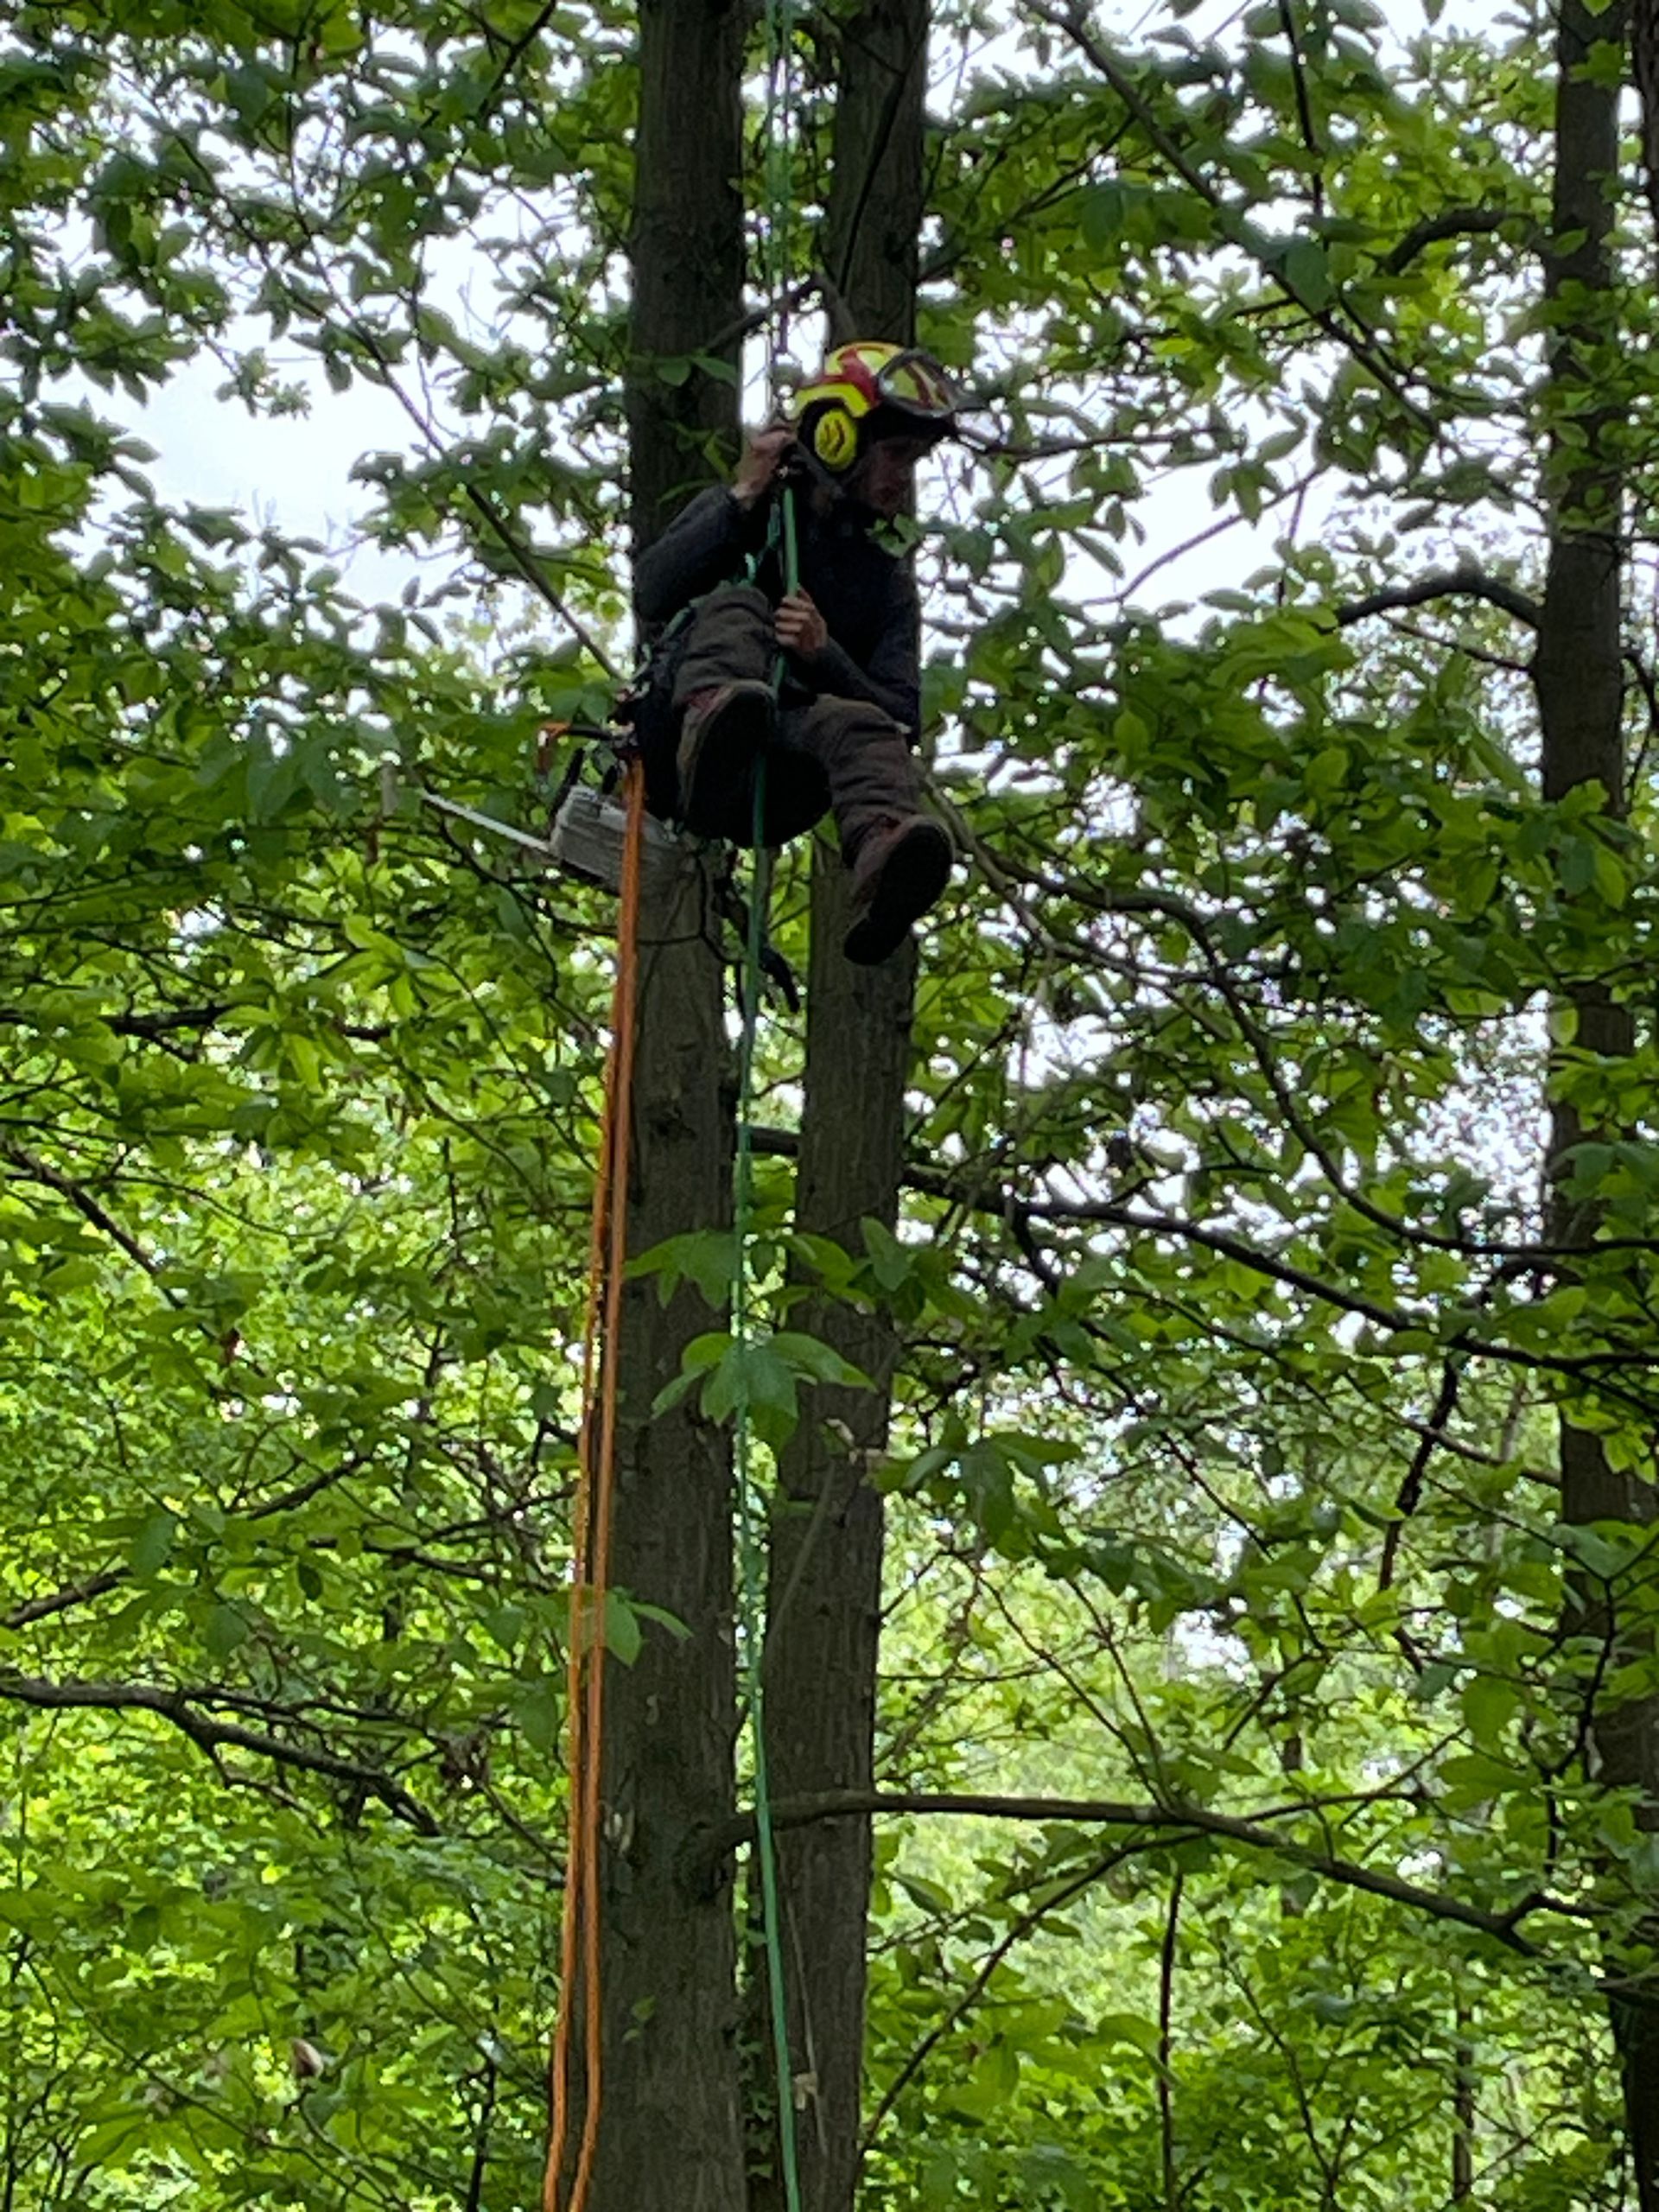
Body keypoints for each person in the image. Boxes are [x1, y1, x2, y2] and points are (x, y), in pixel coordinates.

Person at [632, 340, 958, 967]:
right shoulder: (751, 514)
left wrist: (825, 654)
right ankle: (713, 716)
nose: (902, 478)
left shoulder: (885, 581)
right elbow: (654, 590)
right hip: (678, 755)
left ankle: (886, 862)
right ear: (837, 434)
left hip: (780, 771)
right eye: (894, 454)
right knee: (742, 607)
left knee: (861, 726)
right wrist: (742, 496)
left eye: (913, 461)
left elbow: (902, 719)